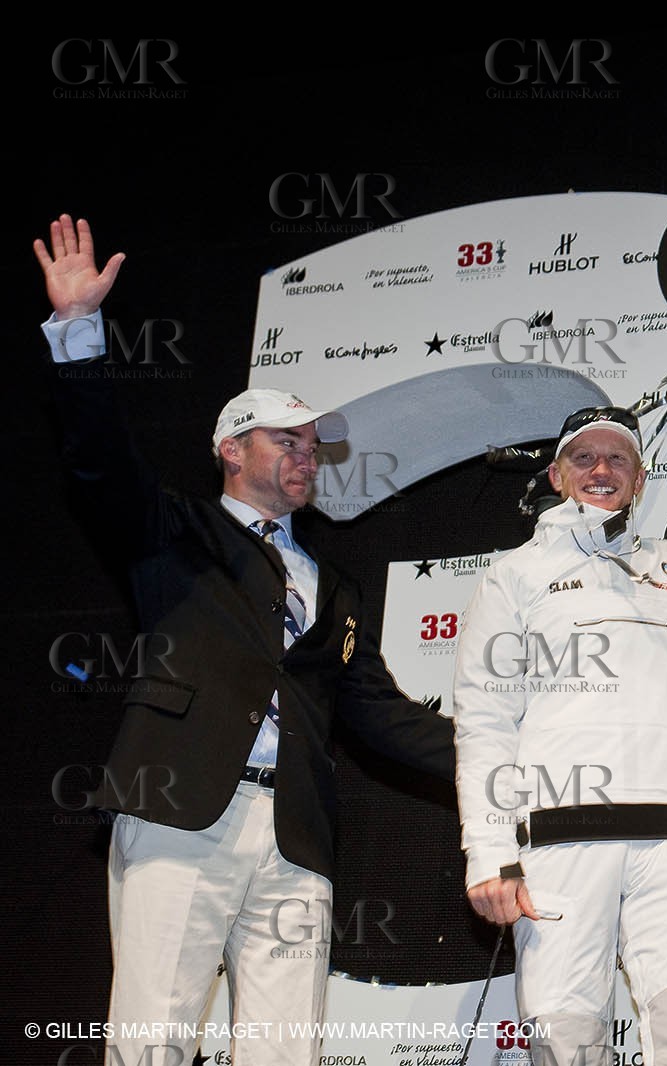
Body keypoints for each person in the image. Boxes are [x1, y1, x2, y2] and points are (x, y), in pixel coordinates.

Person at [33, 214, 457, 1066]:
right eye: (287, 440)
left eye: (314, 445)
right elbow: (99, 465)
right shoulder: (175, 533)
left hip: (296, 831)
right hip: (182, 808)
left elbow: (377, 712)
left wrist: (497, 753)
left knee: (284, 1050)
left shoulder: (331, 585)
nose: (307, 455)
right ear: (232, 448)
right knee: (153, 1038)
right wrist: (79, 334)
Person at [452, 405, 667, 1066]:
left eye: (619, 459)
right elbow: (485, 723)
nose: (602, 470)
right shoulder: (513, 577)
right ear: (557, 476)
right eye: (585, 458)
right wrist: (489, 851)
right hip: (560, 842)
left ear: (641, 481)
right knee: (564, 1043)